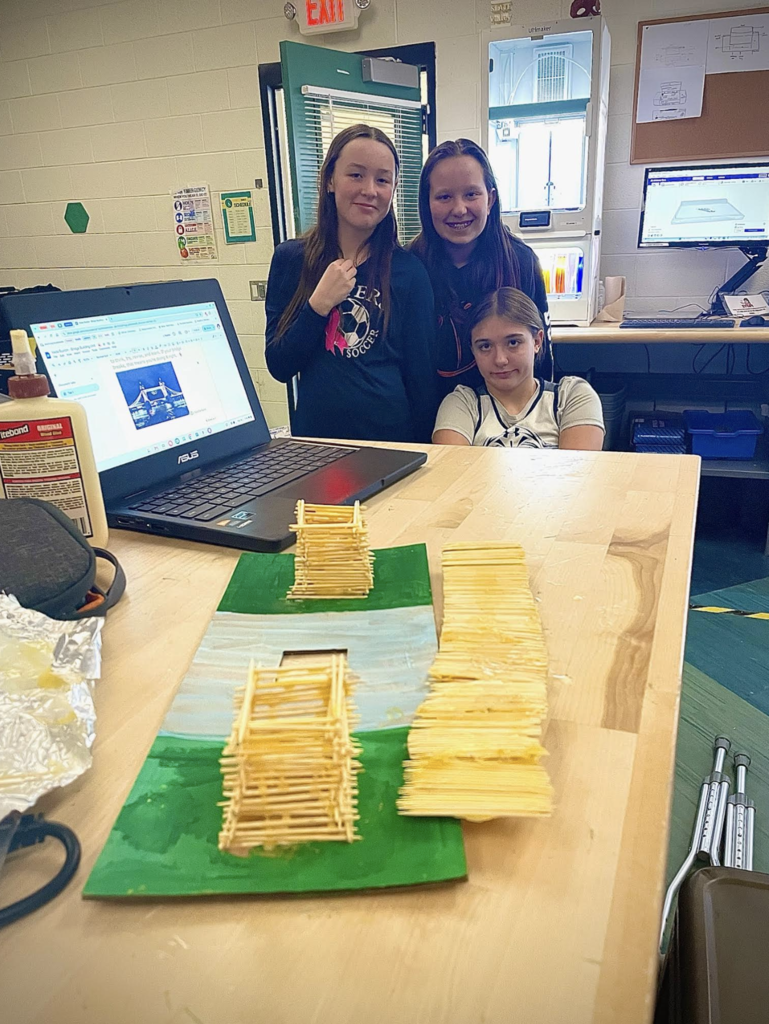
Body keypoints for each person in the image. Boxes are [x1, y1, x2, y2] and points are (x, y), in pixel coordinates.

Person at [265, 123, 437, 443]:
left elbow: (422, 383)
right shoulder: (291, 260)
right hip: (317, 451)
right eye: (356, 175)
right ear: (330, 179)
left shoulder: (409, 272)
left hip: (391, 448)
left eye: (382, 179)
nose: (369, 190)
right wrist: (318, 305)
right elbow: (279, 365)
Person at [409, 138, 551, 400]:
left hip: (505, 424)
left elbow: (542, 360)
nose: (459, 209)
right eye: (444, 196)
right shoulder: (407, 268)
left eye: (471, 194)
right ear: (426, 203)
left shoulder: (522, 263)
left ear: (490, 199)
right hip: (425, 426)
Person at [433, 288, 604, 450]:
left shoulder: (571, 397)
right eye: (485, 346)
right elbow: (453, 475)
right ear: (473, 350)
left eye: (513, 342)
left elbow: (577, 475)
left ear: (537, 341)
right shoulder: (462, 405)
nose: (500, 359)